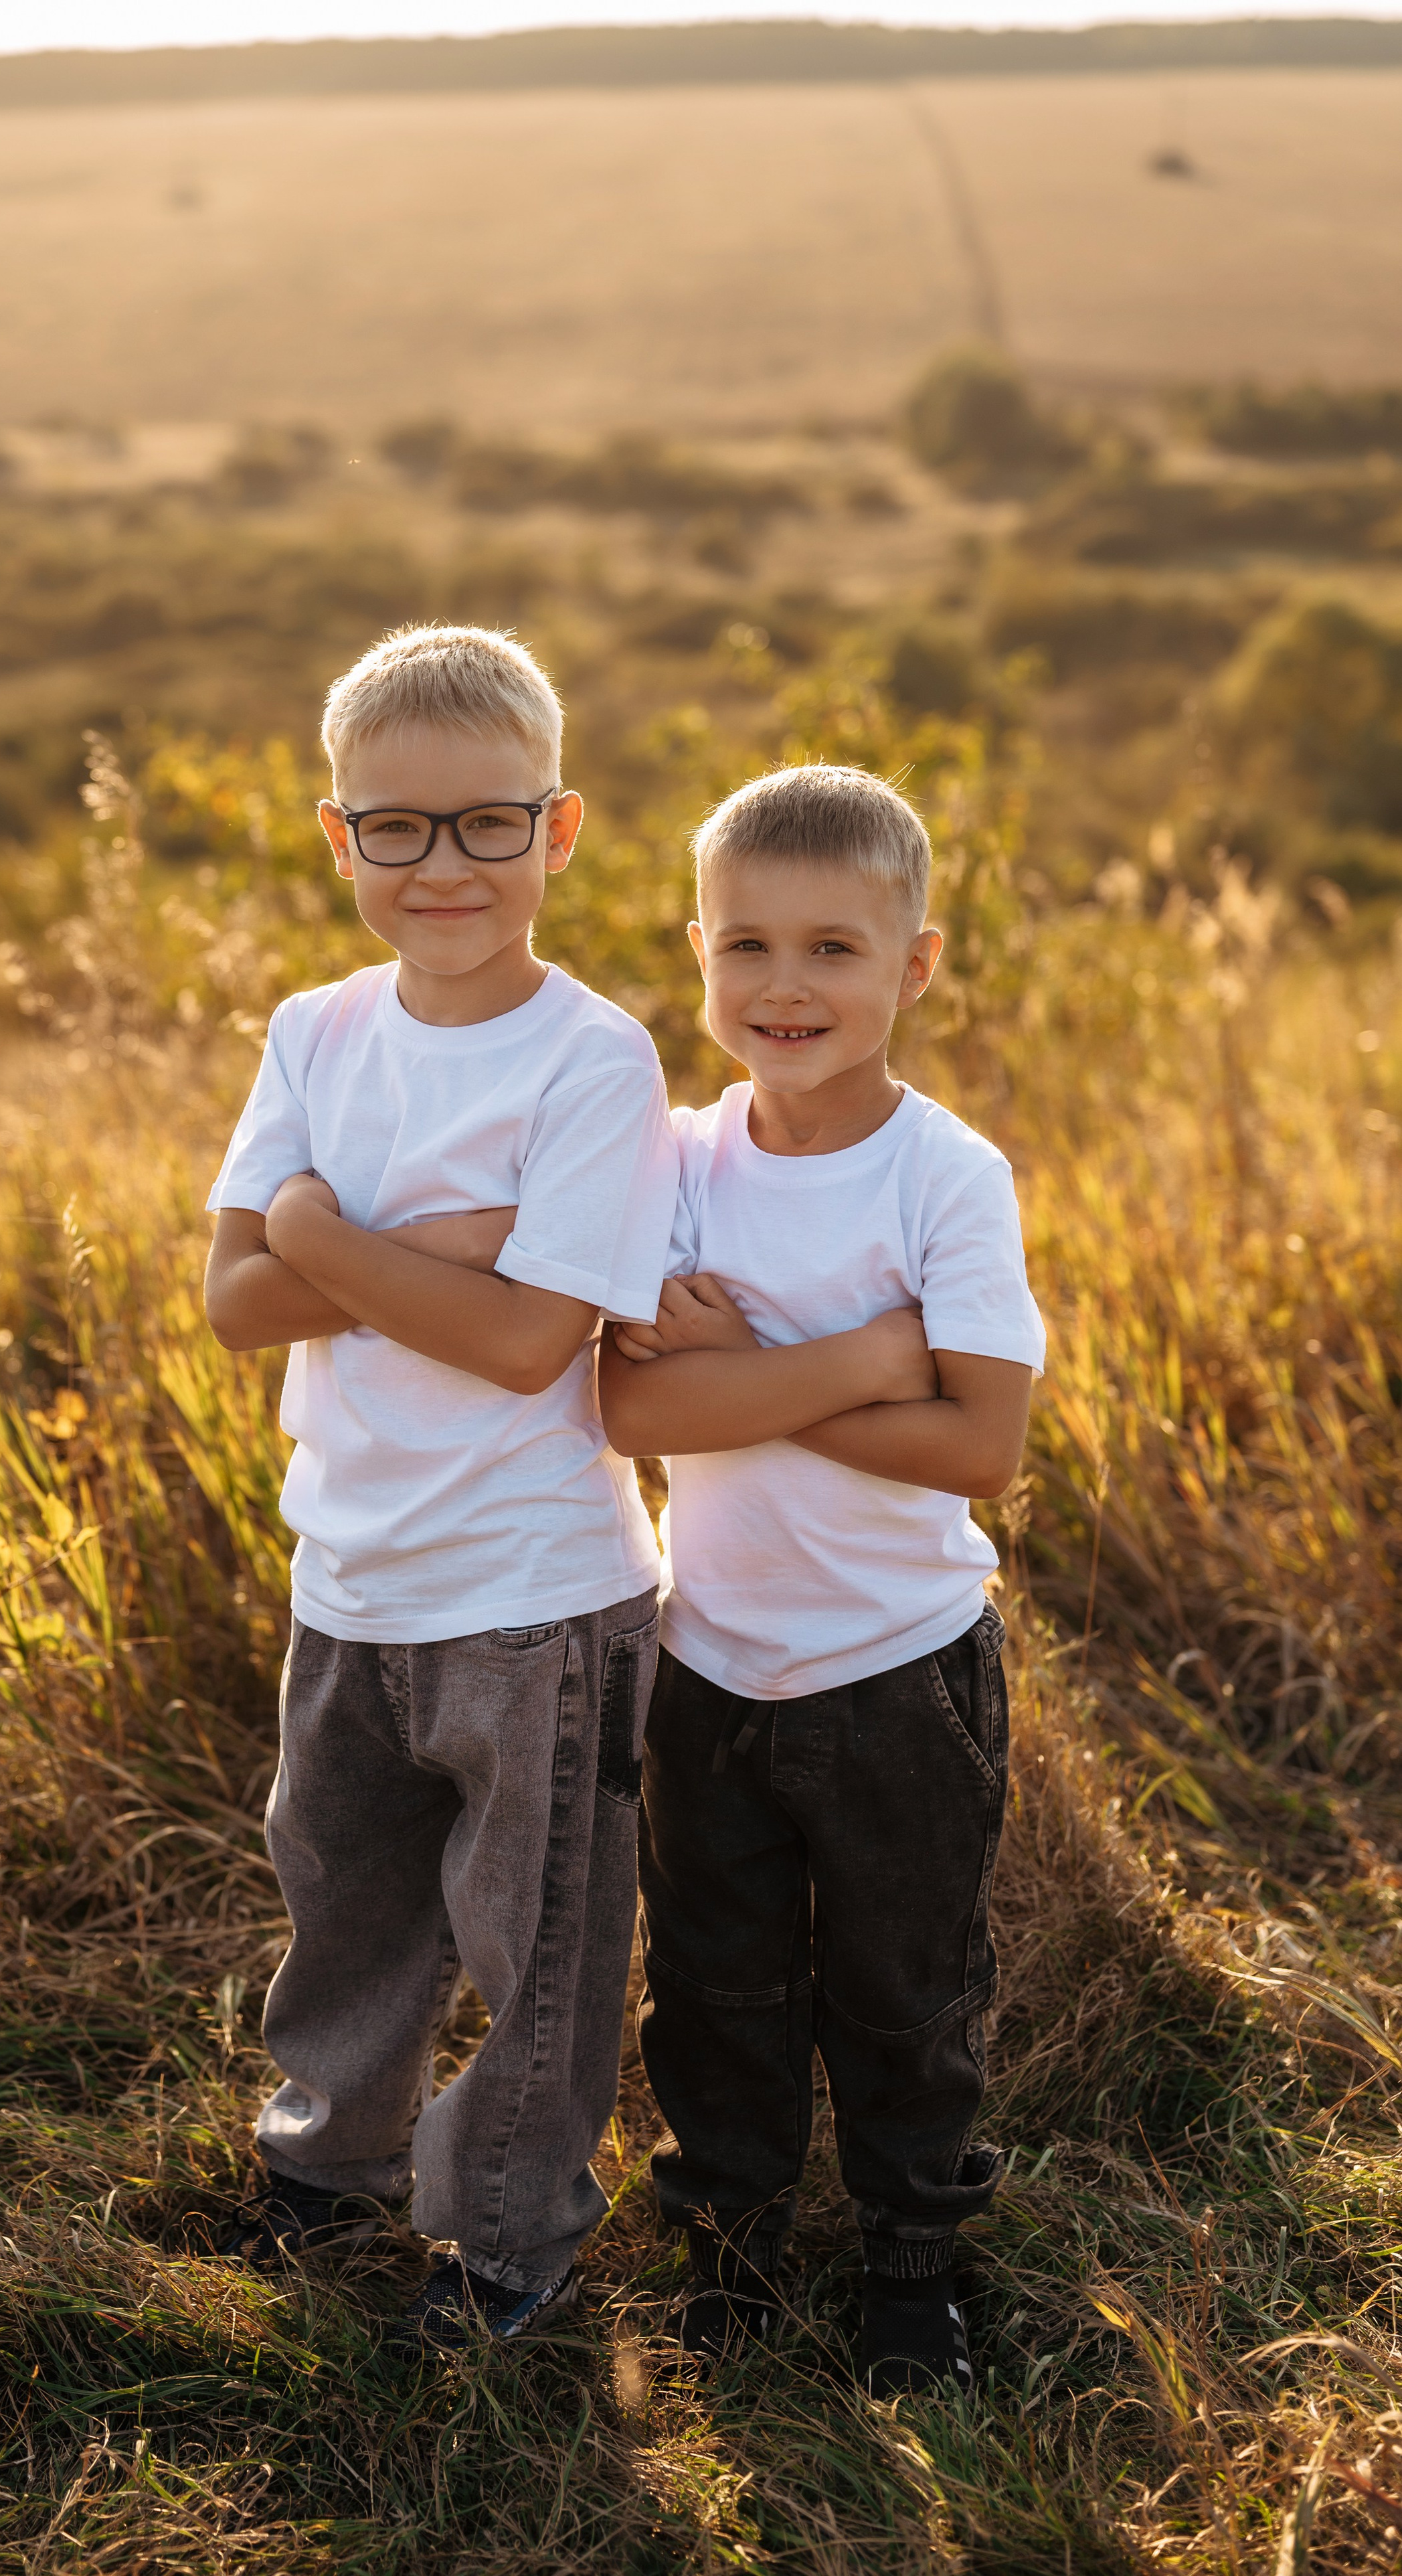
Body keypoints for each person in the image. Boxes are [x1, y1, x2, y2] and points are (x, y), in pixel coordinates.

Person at [203, 623, 681, 2355]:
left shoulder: (593, 1059)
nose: (443, 866)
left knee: (537, 1945)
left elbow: (528, 1341)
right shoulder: (316, 1033)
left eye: (488, 826)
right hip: (352, 1574)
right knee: (345, 1901)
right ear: (340, 839)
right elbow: (233, 1301)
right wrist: (440, 1247)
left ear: (558, 832)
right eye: (395, 829)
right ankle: (323, 2169)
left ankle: (504, 2243)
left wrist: (329, 1228)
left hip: (537, 1597)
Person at [598, 762, 1046, 2397]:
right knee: (711, 1985)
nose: (784, 987)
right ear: (697, 950)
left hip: (898, 1668)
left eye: (834, 951)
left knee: (902, 1988)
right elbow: (636, 1405)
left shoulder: (945, 1176)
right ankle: (726, 2252)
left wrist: (762, 1363)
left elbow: (978, 1444)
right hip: (706, 1665)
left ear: (913, 965)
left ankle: (912, 2264)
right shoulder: (669, 1160)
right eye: (746, 946)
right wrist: (867, 1358)